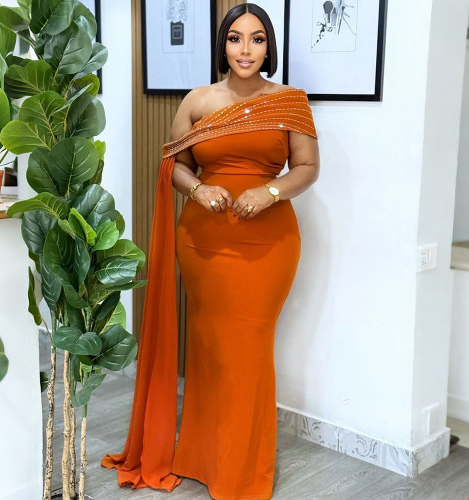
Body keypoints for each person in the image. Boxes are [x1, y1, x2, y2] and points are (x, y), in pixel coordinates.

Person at [102, 3, 320, 499]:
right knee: (211, 350)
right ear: (222, 45)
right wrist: (198, 190)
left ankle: (243, 471)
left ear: (269, 47)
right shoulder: (198, 100)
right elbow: (174, 165)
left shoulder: (290, 102)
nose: (246, 49)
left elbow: (308, 168)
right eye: (236, 38)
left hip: (268, 243)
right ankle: (203, 457)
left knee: (248, 349)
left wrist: (269, 191)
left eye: (257, 39)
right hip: (203, 241)